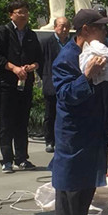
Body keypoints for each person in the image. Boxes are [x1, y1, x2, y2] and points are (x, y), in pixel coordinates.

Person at [51, 9, 108, 215]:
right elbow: (65, 94)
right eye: (100, 27)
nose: (104, 31)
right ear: (85, 30)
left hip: (95, 126)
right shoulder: (66, 58)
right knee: (71, 182)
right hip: (74, 129)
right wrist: (87, 77)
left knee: (88, 181)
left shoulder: (96, 51)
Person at [0, 0, 42, 174]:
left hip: (25, 85)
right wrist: (13, 68)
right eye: (20, 12)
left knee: (22, 122)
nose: (24, 15)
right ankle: (7, 160)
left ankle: (22, 158)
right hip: (7, 85)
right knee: (6, 123)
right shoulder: (2, 32)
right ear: (11, 14)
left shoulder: (31, 35)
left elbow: (39, 58)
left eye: (26, 12)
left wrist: (32, 66)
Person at [38, 16, 70, 153]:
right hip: (51, 83)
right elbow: (40, 63)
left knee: (66, 115)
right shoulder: (46, 42)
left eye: (67, 26)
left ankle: (63, 141)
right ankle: (50, 141)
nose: (64, 29)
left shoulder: (71, 43)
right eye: (61, 26)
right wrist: (45, 77)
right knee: (50, 114)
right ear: (55, 27)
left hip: (67, 84)